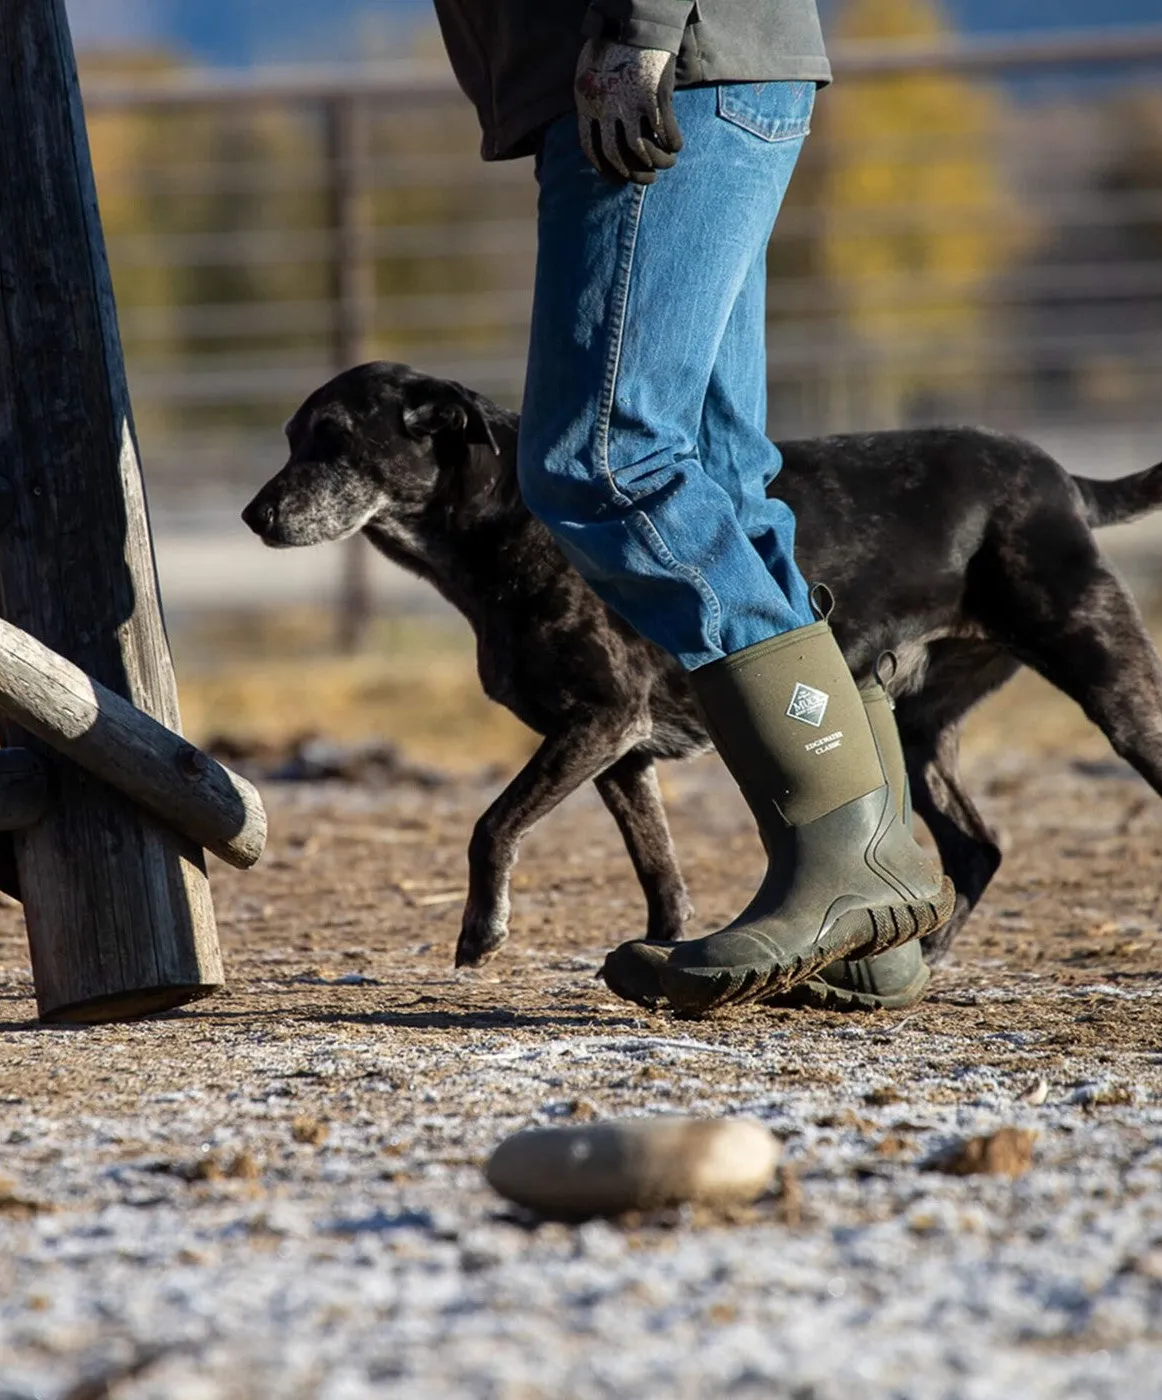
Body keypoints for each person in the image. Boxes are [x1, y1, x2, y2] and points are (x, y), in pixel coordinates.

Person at [431, 1, 954, 1016]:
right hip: (687, 68)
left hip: (652, 70)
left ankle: (843, 857)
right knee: (715, 468)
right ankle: (874, 882)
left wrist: (642, 27)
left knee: (602, 456)